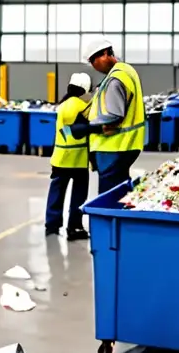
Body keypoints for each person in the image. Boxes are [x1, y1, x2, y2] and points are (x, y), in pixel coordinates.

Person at [70, 38, 144, 194]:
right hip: (127, 145)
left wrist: (87, 128)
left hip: (114, 147)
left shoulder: (115, 79)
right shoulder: (126, 71)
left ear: (105, 54)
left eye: (93, 60)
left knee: (108, 199)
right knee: (120, 194)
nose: (93, 66)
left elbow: (114, 115)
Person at [45, 73, 92, 240]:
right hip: (78, 159)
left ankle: (51, 225)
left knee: (56, 192)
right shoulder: (82, 106)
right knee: (78, 195)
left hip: (60, 157)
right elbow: (90, 127)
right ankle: (74, 227)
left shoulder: (62, 105)